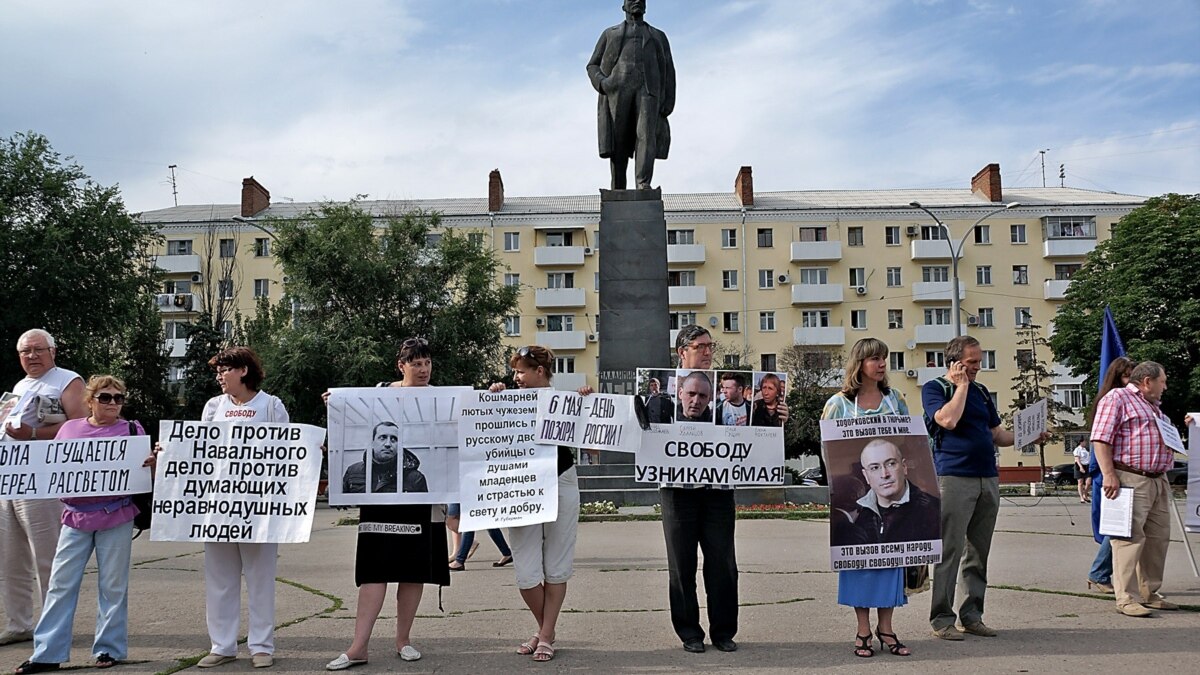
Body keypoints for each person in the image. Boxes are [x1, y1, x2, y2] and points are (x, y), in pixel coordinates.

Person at [14, 376, 150, 674]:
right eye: (105, 397)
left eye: (118, 398)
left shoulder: (131, 429)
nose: (113, 403)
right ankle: (47, 653)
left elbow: (145, 472)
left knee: (113, 586)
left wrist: (153, 463)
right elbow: (51, 468)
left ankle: (109, 648)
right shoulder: (70, 429)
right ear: (90, 400)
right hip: (75, 517)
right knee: (61, 585)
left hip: (117, 515)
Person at [327, 338, 448, 670]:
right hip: (378, 506)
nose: (423, 370)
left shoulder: (441, 400)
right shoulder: (377, 395)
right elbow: (348, 426)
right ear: (402, 365)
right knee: (373, 572)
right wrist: (335, 404)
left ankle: (403, 640)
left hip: (420, 506)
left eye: (427, 363)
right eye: (416, 363)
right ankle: (358, 647)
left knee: (412, 572)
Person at [922, 335, 1048, 641]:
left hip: (987, 477)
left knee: (979, 551)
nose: (978, 367)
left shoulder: (980, 392)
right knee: (950, 550)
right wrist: (961, 386)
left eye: (980, 361)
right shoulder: (936, 389)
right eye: (972, 362)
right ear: (954, 363)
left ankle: (972, 614)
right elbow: (947, 420)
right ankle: (942, 617)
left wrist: (1026, 436)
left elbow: (996, 433)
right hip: (953, 477)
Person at [821, 338, 916, 658]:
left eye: (885, 358)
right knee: (860, 562)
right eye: (875, 358)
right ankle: (863, 630)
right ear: (859, 363)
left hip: (894, 496)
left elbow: (910, 440)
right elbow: (828, 449)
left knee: (891, 563)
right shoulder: (839, 403)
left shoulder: (896, 399)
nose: (881, 364)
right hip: (854, 500)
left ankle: (886, 628)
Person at [195, 347, 289, 669]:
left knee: (261, 578)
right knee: (219, 578)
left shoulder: (271, 406)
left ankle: (261, 646)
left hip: (259, 509)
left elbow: (287, 453)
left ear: (243, 371)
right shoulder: (212, 408)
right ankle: (222, 645)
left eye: (224, 370)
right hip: (218, 506)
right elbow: (200, 453)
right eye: (217, 371)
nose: (219, 377)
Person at [487, 345, 582, 662]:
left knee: (556, 565)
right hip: (519, 487)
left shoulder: (566, 401)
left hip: (561, 481)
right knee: (526, 572)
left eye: (520, 372)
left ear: (539, 372)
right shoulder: (508, 400)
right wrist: (493, 399)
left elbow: (593, 430)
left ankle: (544, 635)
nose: (516, 378)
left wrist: (589, 403)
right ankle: (547, 632)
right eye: (515, 372)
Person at [1, 329, 85, 647]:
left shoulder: (67, 380)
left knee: (47, 556)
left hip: (44, 480)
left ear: (53, 350)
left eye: (38, 349)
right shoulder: (20, 386)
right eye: (25, 351)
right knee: (10, 558)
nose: (32, 356)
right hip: (11, 477)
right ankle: (18, 623)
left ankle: (56, 625)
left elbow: (79, 424)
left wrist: (34, 436)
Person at [660, 325, 738, 653]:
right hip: (678, 490)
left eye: (710, 346)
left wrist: (776, 420)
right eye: (700, 346)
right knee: (682, 563)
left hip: (718, 490)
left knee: (722, 562)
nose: (707, 351)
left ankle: (723, 632)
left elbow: (744, 439)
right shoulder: (661, 396)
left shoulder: (724, 399)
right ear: (682, 352)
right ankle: (689, 632)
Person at [1091, 361, 1179, 618]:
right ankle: (1126, 597)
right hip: (1130, 478)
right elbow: (1101, 437)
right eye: (1162, 381)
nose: (1165, 386)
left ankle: (1150, 592)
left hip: (1157, 479)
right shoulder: (1117, 398)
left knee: (1157, 539)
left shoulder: (1155, 408)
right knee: (1127, 539)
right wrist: (1109, 474)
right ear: (1147, 381)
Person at [586, 0, 676, 190]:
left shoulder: (658, 36)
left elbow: (668, 68)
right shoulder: (610, 34)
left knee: (646, 135)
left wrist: (668, 100)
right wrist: (603, 82)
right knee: (619, 140)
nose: (637, 2)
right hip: (618, 91)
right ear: (623, 6)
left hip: (648, 91)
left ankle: (643, 183)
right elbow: (592, 64)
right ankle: (618, 187)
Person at [1084, 355, 1133, 594]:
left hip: (1123, 472)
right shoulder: (1111, 401)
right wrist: (1108, 473)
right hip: (1111, 473)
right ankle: (1099, 572)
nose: (1130, 382)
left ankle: (1109, 573)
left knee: (1128, 527)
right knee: (1119, 527)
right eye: (1126, 376)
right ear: (1116, 378)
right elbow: (1102, 441)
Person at [834, 439, 941, 547]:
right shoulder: (856, 518)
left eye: (890, 464)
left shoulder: (933, 508)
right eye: (875, 468)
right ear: (866, 475)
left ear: (904, 467)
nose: (884, 474)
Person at [342, 422, 399, 493]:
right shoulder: (353, 471)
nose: (388, 444)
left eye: (393, 439)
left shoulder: (413, 476)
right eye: (382, 438)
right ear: (372, 442)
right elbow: (340, 502)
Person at [1072, 439, 1091, 503]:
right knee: (1080, 482)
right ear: (1080, 442)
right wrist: (1081, 467)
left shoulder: (1086, 449)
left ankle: (1085, 494)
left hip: (1087, 466)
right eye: (1084, 441)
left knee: (1088, 482)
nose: (1085, 442)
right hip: (1079, 465)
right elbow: (1077, 459)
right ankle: (1081, 497)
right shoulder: (1077, 449)